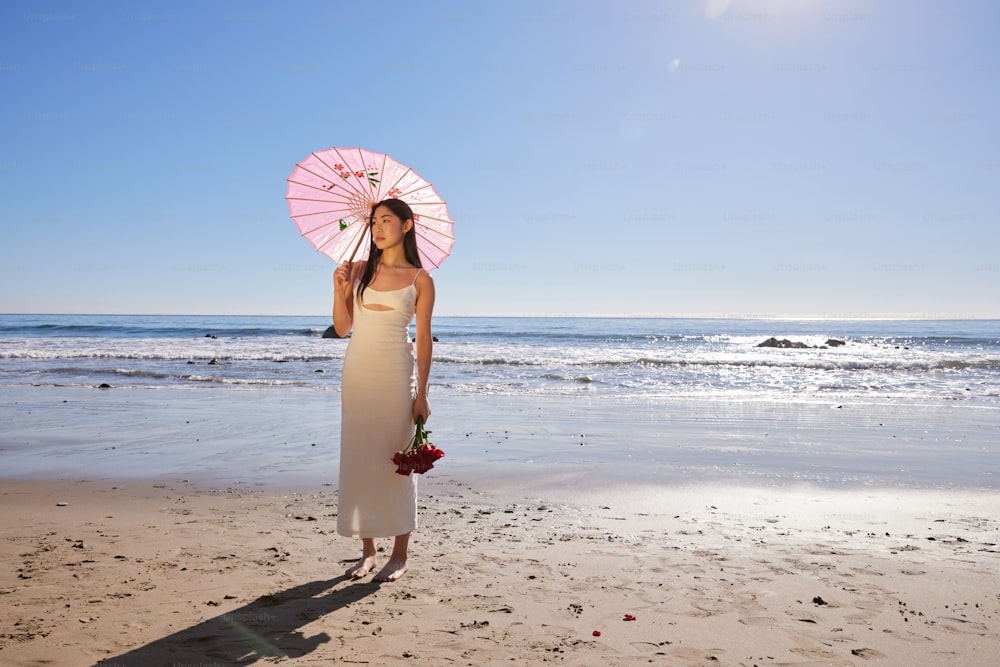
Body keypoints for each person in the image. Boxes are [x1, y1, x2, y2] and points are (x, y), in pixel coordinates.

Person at [331, 198, 436, 582]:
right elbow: (343, 328)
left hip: (395, 375)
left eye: (386, 220)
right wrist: (338, 289)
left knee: (396, 463)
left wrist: (422, 393)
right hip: (358, 374)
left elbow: (423, 339)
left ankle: (400, 555)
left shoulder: (420, 279)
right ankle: (368, 552)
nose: (377, 228)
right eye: (374, 221)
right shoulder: (357, 270)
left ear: (407, 226)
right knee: (360, 460)